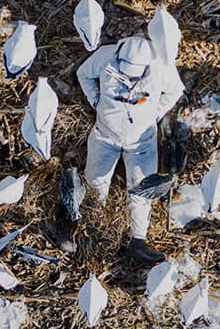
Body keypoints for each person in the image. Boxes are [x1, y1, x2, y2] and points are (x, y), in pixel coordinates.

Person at [75, 36, 186, 263]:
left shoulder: (162, 67)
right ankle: (91, 233)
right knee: (95, 182)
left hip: (142, 142)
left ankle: (137, 241)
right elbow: (83, 74)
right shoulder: (104, 58)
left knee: (141, 189)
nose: (128, 77)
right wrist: (95, 100)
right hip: (105, 136)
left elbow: (176, 90)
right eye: (125, 71)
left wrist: (156, 114)